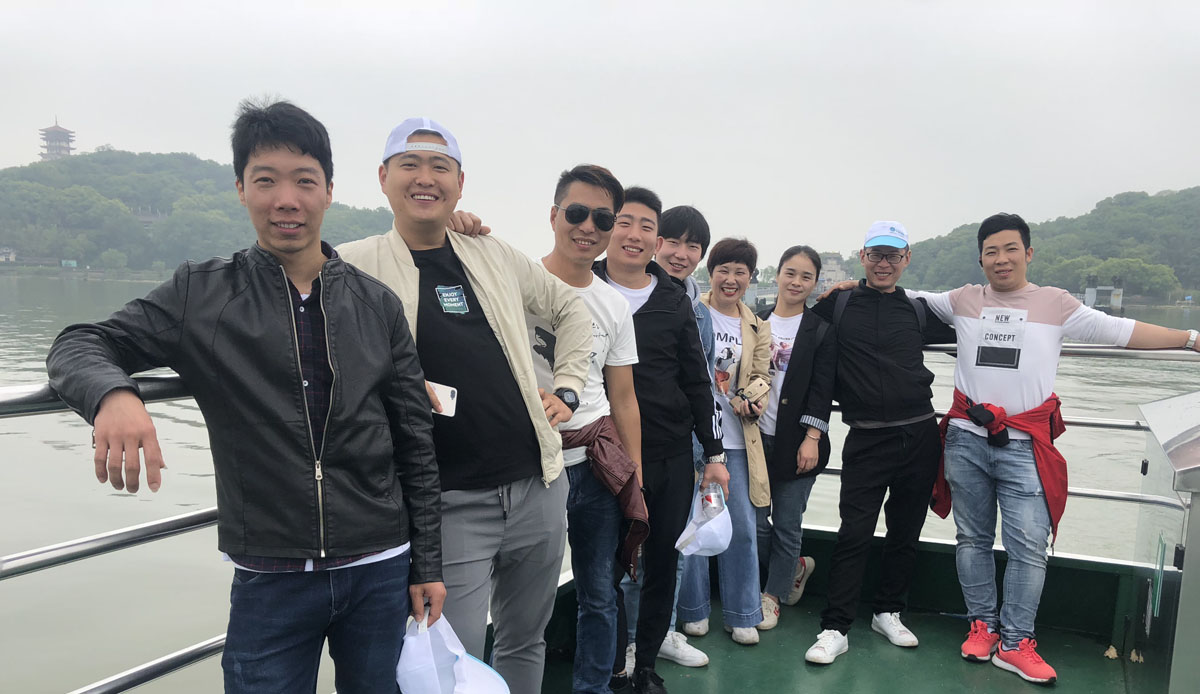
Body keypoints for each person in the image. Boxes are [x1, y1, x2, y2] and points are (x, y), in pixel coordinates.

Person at [45, 100, 444, 694]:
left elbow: (414, 440)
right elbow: (80, 342)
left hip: (379, 564)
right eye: (265, 181)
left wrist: (426, 563)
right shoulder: (202, 294)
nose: (286, 199)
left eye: (304, 181)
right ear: (240, 189)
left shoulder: (375, 303)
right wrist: (114, 394)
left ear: (328, 191)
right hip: (270, 572)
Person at [336, 117, 592, 694]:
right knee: (454, 655)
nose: (425, 178)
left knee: (526, 640)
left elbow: (570, 308)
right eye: (409, 165)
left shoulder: (490, 252)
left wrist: (568, 387)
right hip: (448, 502)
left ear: (459, 183)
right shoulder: (351, 264)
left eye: (440, 167)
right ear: (383, 178)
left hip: (538, 484)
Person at [912, 212, 1200, 685]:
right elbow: (904, 296)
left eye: (1010, 249)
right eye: (991, 251)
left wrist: (1189, 338)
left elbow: (1121, 331)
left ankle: (1015, 642)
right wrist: (848, 288)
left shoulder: (1056, 303)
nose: (1001, 259)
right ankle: (981, 625)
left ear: (1028, 253)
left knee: (1030, 547)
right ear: (980, 260)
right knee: (972, 539)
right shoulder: (962, 299)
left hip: (1026, 445)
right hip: (966, 438)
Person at [594, 186, 728, 694]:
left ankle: (645, 665)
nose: (634, 234)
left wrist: (714, 454)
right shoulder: (583, 285)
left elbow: (698, 381)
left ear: (655, 239)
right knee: (604, 569)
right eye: (624, 222)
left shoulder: (675, 300)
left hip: (669, 454)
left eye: (646, 226)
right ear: (608, 227)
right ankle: (611, 666)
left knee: (663, 564)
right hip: (601, 454)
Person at [803, 221, 956, 665]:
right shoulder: (839, 305)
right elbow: (793, 325)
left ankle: (889, 611)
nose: (884, 263)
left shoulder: (919, 311)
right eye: (876, 255)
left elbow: (975, 332)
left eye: (892, 255)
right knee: (854, 533)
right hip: (867, 437)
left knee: (906, 531)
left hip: (920, 432)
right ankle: (835, 627)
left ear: (906, 259)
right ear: (863, 257)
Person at [526, 163, 644, 694]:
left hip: (596, 466)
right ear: (554, 215)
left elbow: (623, 396)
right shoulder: (514, 284)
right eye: (576, 213)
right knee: (526, 598)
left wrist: (633, 474)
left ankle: (592, 688)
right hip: (533, 467)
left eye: (603, 218)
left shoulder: (613, 304)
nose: (588, 227)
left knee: (599, 593)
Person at [677, 237, 770, 646]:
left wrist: (751, 398)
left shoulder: (757, 325)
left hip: (736, 439)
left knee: (743, 528)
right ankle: (692, 611)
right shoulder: (691, 312)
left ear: (750, 278)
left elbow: (762, 374)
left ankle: (743, 612)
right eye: (723, 270)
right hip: (694, 438)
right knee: (694, 523)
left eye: (740, 272)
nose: (731, 280)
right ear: (710, 273)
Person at [753, 245, 837, 630]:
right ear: (777, 275)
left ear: (815, 283)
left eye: (806, 276)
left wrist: (812, 437)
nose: (796, 282)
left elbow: (823, 389)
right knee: (754, 522)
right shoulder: (755, 322)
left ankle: (772, 596)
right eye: (790, 273)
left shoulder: (821, 330)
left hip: (798, 442)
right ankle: (795, 567)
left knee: (788, 524)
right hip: (755, 442)